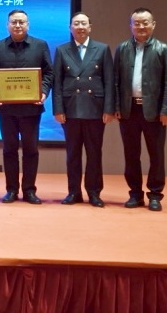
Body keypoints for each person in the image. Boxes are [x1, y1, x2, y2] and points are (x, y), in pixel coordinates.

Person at [0, 9, 53, 205]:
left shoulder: (40, 45)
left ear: (28, 25)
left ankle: (29, 190)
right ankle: (12, 190)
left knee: (31, 150)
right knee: (9, 150)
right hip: (6, 109)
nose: (17, 25)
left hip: (31, 109)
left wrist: (43, 92)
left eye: (21, 22)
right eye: (14, 22)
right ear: (7, 25)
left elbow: (48, 73)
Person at [114, 7, 167, 212]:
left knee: (156, 155)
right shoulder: (122, 49)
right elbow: (116, 81)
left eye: (145, 22)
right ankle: (135, 194)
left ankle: (155, 195)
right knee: (131, 155)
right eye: (137, 23)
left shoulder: (163, 49)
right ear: (130, 26)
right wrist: (117, 107)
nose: (141, 26)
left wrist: (166, 111)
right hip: (128, 110)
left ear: (153, 25)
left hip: (155, 112)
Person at [52, 12, 114, 207]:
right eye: (76, 24)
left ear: (90, 27)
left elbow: (109, 81)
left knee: (94, 154)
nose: (80, 27)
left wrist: (109, 109)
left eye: (83, 24)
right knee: (73, 154)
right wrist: (58, 109)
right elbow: (57, 82)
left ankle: (94, 192)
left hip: (95, 110)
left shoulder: (102, 49)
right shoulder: (62, 50)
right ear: (70, 28)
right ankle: (74, 192)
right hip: (70, 109)